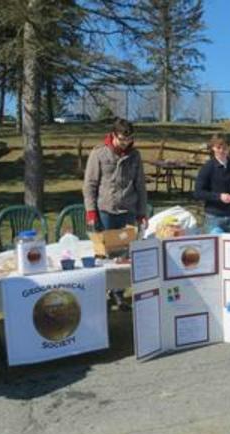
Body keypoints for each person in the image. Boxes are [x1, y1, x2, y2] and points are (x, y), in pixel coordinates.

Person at [83, 117, 148, 309]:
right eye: (122, 139)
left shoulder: (135, 156)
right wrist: (91, 212)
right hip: (105, 211)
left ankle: (118, 294)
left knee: (123, 256)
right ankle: (100, 294)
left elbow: (140, 186)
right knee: (104, 254)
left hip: (127, 211)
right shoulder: (99, 153)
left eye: (129, 139)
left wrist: (141, 212)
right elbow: (89, 185)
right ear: (113, 135)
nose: (126, 143)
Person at [194, 133, 230, 233]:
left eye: (225, 148)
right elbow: (198, 193)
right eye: (218, 147)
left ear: (229, 149)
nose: (222, 151)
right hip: (213, 217)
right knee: (217, 246)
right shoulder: (208, 167)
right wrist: (219, 197)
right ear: (213, 148)